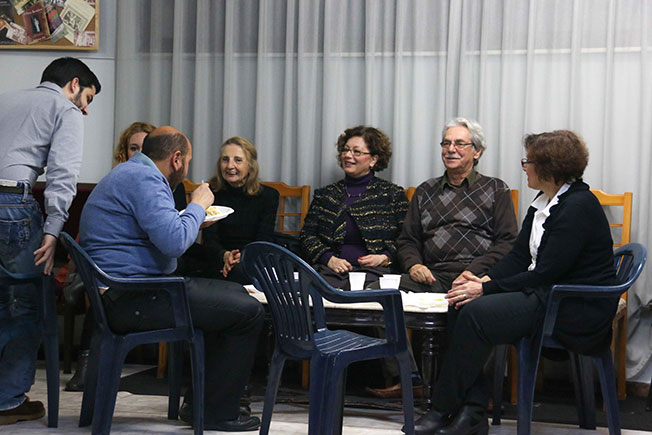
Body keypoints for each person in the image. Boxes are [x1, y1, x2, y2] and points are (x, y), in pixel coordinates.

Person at [410, 130, 618, 435]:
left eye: (528, 162)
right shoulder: (544, 201)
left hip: (571, 305)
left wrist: (484, 289)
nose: (524, 167)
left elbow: (545, 273)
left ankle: (442, 409)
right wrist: (483, 279)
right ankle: (471, 413)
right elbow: (519, 256)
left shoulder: (578, 206)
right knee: (460, 303)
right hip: (545, 294)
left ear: (548, 167)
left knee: (476, 313)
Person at [79, 126, 264, 431]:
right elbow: (175, 243)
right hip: (132, 297)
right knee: (248, 311)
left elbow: (160, 231)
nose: (186, 168)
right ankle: (218, 412)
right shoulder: (146, 179)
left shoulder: (131, 173)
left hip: (124, 292)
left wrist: (192, 221)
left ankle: (199, 405)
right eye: (187, 161)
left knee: (233, 298)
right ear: (176, 159)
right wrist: (197, 205)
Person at [368, 117, 518, 399]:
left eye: (460, 143)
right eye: (446, 143)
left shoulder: (495, 189)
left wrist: (474, 271)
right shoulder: (425, 191)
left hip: (475, 278)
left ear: (477, 151)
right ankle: (408, 377)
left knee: (487, 305)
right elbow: (407, 240)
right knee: (379, 293)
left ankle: (475, 392)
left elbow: (508, 242)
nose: (451, 149)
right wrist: (414, 264)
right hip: (432, 276)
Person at [0, 57, 100, 426]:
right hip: (12, 205)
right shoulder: (64, 109)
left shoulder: (6, 99)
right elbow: (62, 173)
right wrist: (53, 228)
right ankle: (7, 400)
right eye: (87, 98)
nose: (85, 109)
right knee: (27, 306)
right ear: (74, 84)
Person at [64, 121, 158, 392]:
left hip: (147, 255)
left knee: (105, 289)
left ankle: (83, 281)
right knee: (104, 290)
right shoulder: (115, 180)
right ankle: (86, 366)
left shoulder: (161, 183)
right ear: (124, 152)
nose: (139, 153)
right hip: (115, 259)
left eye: (145, 148)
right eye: (133, 148)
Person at [300, 125, 408, 289]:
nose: (348, 155)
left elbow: (406, 239)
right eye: (345, 150)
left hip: (376, 274)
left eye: (356, 152)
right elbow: (307, 236)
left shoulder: (392, 195)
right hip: (329, 271)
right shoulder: (326, 195)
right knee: (313, 290)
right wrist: (328, 258)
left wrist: (385, 257)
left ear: (373, 160)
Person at [200, 137, 279, 284]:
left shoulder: (269, 196)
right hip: (217, 259)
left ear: (250, 165)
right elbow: (209, 239)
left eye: (238, 160)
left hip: (253, 259)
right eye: (225, 159)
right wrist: (225, 256)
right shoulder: (210, 193)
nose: (230, 166)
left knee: (242, 271)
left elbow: (264, 238)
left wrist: (241, 258)